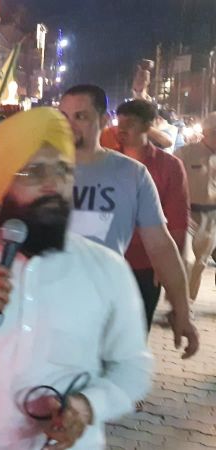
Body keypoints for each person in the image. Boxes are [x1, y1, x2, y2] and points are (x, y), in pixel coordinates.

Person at [0, 107, 153, 449]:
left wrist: (87, 406)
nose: (53, 183)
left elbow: (133, 368)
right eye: (34, 171)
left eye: (63, 170)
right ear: (4, 182)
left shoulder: (106, 268)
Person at [59, 85, 198, 359]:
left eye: (80, 116)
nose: (69, 125)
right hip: (48, 306)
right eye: (63, 116)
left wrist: (182, 311)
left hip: (106, 307)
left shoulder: (132, 174)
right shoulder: (41, 170)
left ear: (102, 121)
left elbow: (160, 246)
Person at [115, 100, 191, 330]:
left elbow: (178, 222)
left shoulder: (169, 167)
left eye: (130, 123)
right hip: (108, 262)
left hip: (146, 266)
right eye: (120, 123)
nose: (122, 129)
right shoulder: (108, 162)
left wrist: (168, 269)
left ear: (148, 126)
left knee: (135, 333)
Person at [175, 112, 216, 301]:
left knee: (200, 263)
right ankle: (178, 302)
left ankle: (187, 304)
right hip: (187, 214)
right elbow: (172, 182)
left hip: (212, 218)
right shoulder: (186, 153)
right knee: (186, 260)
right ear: (206, 132)